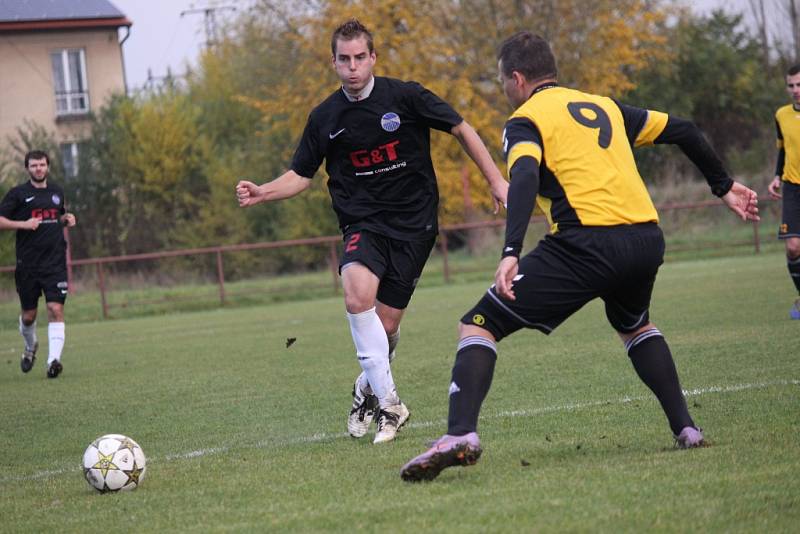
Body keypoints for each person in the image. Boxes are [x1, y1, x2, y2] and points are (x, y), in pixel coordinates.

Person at [400, 32, 760, 482]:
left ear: (517, 79)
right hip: (646, 239)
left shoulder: (524, 119)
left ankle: (459, 435)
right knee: (634, 324)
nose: (504, 91)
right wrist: (723, 186)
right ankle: (686, 428)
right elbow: (685, 129)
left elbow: (525, 176)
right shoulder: (604, 105)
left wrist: (510, 251)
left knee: (479, 323)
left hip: (586, 244)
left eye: (502, 82)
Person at [236, 19, 508, 444]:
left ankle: (366, 388)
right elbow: (301, 174)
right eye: (343, 59)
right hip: (362, 223)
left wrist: (495, 179)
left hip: (414, 225)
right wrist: (263, 191)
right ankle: (390, 405)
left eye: (360, 57)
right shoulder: (325, 117)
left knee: (386, 326)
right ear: (333, 62)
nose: (352, 67)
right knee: (356, 295)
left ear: (373, 58)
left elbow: (461, 127)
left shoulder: (406, 96)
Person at [0, 150, 77, 378]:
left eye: (42, 165)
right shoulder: (18, 194)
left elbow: (56, 218)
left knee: (55, 309)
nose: (38, 169)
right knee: (29, 316)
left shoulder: (57, 192)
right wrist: (23, 225)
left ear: (48, 166)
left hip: (54, 262)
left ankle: (53, 361)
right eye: (34, 166)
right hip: (28, 265)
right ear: (28, 168)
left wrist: (66, 219)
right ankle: (30, 346)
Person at [768, 64, 800, 320]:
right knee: (792, 247)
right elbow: (782, 149)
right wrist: (777, 176)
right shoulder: (781, 115)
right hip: (791, 187)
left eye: (799, 85)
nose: (795, 90)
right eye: (791, 85)